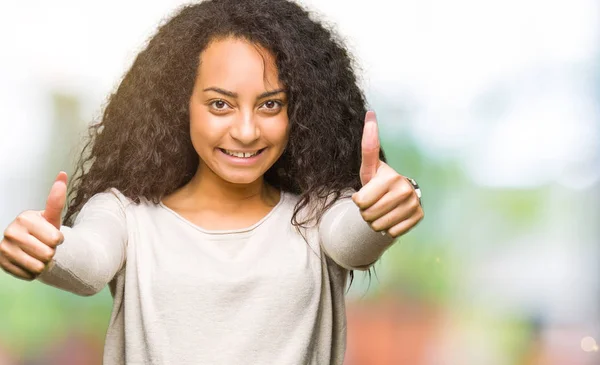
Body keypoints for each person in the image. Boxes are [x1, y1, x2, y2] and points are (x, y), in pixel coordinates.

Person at [0, 0, 424, 363]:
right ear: (179, 105)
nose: (245, 131)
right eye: (220, 104)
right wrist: (47, 248)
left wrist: (380, 209)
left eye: (270, 105)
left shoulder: (319, 213)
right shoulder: (125, 216)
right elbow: (89, 263)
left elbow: (354, 241)